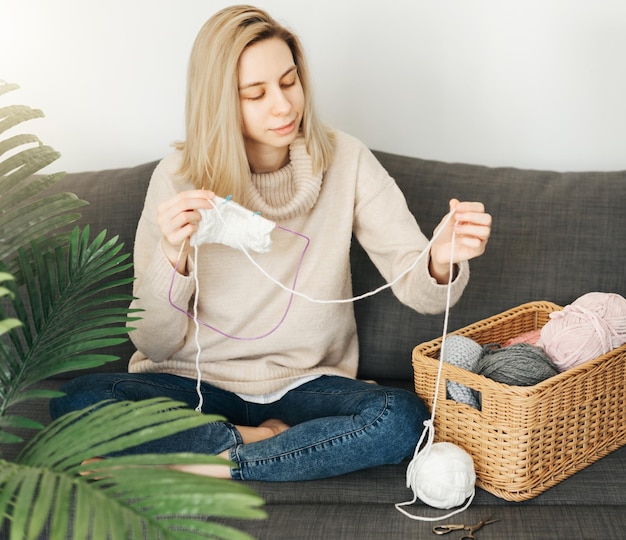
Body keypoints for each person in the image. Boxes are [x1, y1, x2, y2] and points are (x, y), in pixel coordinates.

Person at [50, 4, 491, 481]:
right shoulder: (177, 180)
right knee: (75, 403)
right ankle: (256, 441)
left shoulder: (346, 159)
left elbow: (421, 293)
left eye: (289, 82)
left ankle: (217, 465)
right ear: (219, 103)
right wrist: (173, 259)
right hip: (194, 384)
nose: (283, 106)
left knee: (403, 419)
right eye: (255, 94)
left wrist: (441, 258)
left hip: (306, 387)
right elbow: (153, 341)